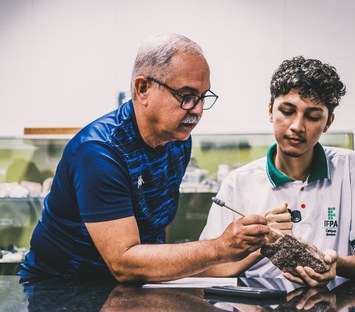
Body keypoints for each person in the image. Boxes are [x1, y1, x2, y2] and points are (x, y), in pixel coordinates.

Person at [19, 33, 272, 283]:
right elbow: (124, 263)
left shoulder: (177, 141)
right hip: (61, 291)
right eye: (186, 96)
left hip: (127, 286)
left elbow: (156, 225)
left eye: (203, 97)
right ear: (143, 89)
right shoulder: (100, 152)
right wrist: (219, 248)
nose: (197, 109)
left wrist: (258, 244)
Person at [199, 56, 355, 287]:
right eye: (287, 111)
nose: (297, 126)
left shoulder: (349, 168)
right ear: (270, 110)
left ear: (328, 122)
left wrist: (336, 264)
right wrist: (262, 243)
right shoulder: (238, 182)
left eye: (313, 116)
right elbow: (209, 268)